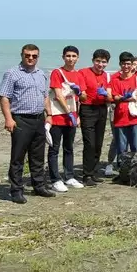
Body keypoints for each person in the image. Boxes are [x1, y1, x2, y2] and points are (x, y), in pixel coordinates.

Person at [0, 44, 55, 203]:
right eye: (27, 55)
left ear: (38, 57)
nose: (30, 58)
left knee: (37, 156)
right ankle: (16, 190)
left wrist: (49, 114)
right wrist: (8, 118)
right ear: (22, 55)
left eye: (34, 56)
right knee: (18, 157)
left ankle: (39, 186)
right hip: (21, 119)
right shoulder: (12, 73)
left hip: (39, 119)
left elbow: (45, 97)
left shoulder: (41, 74)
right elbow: (4, 97)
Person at [47, 45, 86, 192]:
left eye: (73, 56)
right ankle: (55, 179)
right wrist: (68, 111)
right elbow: (58, 95)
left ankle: (69, 176)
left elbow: (82, 96)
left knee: (69, 148)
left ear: (77, 58)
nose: (71, 59)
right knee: (54, 148)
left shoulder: (78, 75)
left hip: (72, 117)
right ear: (63, 57)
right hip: (58, 116)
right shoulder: (57, 73)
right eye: (68, 56)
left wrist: (79, 92)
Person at [78, 49, 111, 186]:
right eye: (98, 61)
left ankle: (93, 172)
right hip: (87, 109)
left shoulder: (106, 76)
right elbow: (82, 94)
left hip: (101, 109)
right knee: (89, 143)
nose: (100, 64)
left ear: (107, 63)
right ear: (93, 60)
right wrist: (80, 93)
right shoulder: (83, 72)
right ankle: (86, 175)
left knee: (98, 143)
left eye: (103, 62)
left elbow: (109, 96)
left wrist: (106, 95)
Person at [107, 52, 137, 158]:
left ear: (132, 64)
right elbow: (113, 97)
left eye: (128, 64)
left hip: (134, 117)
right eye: (123, 64)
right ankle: (122, 171)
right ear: (120, 64)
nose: (126, 66)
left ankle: (135, 171)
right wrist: (128, 98)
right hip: (120, 118)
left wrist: (123, 98)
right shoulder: (115, 80)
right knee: (121, 149)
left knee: (135, 148)